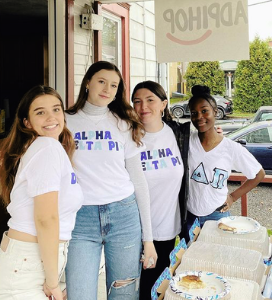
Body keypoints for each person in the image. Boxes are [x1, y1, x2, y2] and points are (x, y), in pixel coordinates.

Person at [64, 61, 157, 300]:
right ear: (87, 82)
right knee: (80, 294)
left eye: (114, 85)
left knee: (124, 294)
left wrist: (148, 240)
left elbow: (139, 181)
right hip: (80, 220)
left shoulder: (124, 124)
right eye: (101, 81)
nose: (107, 89)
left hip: (124, 216)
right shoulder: (65, 122)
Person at [0, 85, 84, 300]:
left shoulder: (43, 148)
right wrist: (53, 283)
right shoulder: (47, 148)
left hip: (30, 262)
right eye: (40, 112)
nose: (51, 117)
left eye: (56, 109)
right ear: (26, 122)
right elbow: (46, 218)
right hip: (26, 267)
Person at [185, 85, 265, 235]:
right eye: (194, 113)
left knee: (217, 256)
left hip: (217, 214)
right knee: (191, 256)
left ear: (215, 112)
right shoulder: (186, 142)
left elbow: (259, 174)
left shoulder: (231, 148)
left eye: (204, 111)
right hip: (190, 215)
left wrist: (233, 197)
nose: (199, 117)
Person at [131, 81, 184, 300]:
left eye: (150, 100)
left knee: (161, 289)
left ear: (164, 104)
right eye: (137, 101)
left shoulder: (179, 134)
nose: (143, 106)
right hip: (136, 232)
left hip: (168, 230)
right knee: (137, 290)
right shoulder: (128, 137)